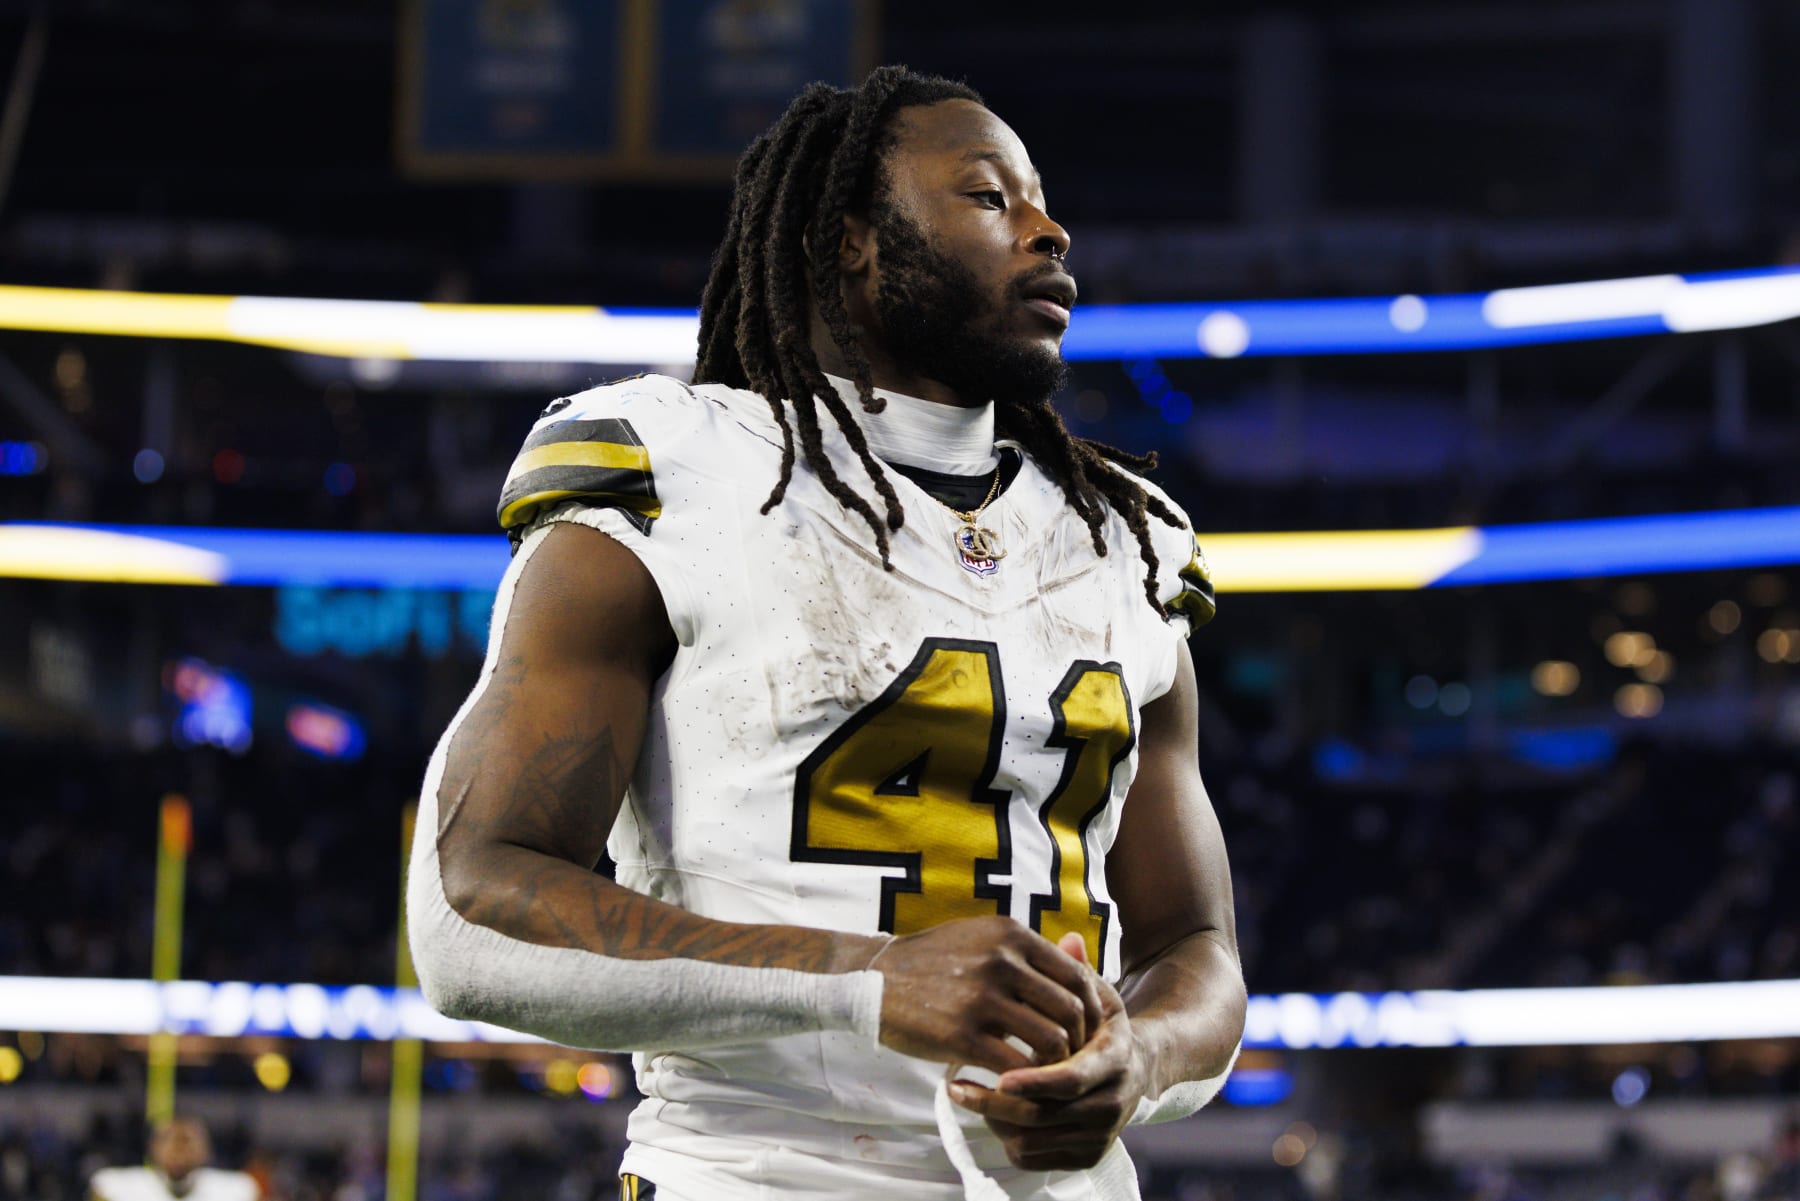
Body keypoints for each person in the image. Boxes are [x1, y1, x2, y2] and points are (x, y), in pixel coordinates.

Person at [408, 65, 1245, 1201]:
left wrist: (1139, 1057)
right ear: (855, 240)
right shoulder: (677, 470)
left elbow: (1196, 952)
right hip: (757, 1173)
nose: (1049, 232)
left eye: (1042, 201)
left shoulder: (1127, 540)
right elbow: (467, 922)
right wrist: (865, 980)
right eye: (991, 199)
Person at [90, 1116, 257, 1201]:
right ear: (153, 1148)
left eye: (187, 1142)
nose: (180, 1150)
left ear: (206, 1151)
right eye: (171, 1141)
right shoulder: (116, 1186)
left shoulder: (235, 1188)